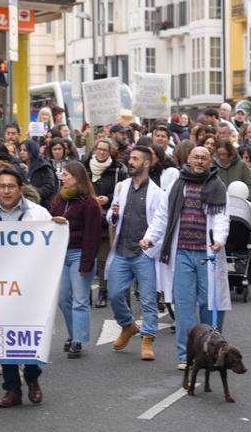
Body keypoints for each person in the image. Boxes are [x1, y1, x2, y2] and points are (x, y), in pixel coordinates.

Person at [0, 167, 57, 408]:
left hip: (28, 287)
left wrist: (58, 226)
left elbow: (52, 242)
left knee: (25, 336)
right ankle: (12, 390)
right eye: (2, 186)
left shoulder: (38, 214)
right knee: (1, 337)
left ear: (21, 189)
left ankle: (32, 377)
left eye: (11, 186)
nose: (6, 191)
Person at [141, 146, 231, 370]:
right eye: (196, 157)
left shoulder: (218, 186)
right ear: (188, 160)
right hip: (181, 252)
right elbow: (163, 215)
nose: (199, 161)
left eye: (204, 158)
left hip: (207, 253)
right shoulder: (176, 184)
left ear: (210, 162)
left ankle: (212, 351)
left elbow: (221, 217)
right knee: (183, 305)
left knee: (210, 303)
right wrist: (150, 237)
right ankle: (187, 355)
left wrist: (219, 240)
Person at [106, 146, 165, 361]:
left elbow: (161, 223)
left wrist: (150, 241)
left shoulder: (158, 194)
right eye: (130, 158)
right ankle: (128, 326)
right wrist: (112, 216)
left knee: (148, 299)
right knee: (114, 294)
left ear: (147, 163)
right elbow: (112, 219)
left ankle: (147, 339)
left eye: (135, 159)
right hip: (122, 251)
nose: (130, 162)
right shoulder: (121, 187)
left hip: (144, 253)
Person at [49, 161, 101, 359]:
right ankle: (73, 335)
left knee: (80, 300)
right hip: (61, 254)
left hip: (79, 253)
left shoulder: (90, 204)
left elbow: (93, 235)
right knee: (63, 299)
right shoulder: (59, 200)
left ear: (77, 177)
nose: (62, 177)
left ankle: (78, 340)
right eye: (62, 174)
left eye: (67, 174)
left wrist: (86, 264)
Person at [84, 139, 128, 308]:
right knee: (87, 257)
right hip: (88, 218)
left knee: (103, 259)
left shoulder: (117, 170)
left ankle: (103, 291)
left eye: (105, 150)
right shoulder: (85, 167)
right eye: (99, 149)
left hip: (106, 220)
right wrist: (90, 200)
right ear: (94, 150)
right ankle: (85, 292)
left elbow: (121, 191)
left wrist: (108, 199)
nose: (101, 152)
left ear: (110, 152)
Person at [19, 140, 57, 207]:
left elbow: (49, 187)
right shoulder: (20, 166)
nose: (21, 152)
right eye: (20, 150)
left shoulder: (43, 167)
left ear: (32, 151)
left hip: (40, 204)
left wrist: (31, 192)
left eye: (25, 150)